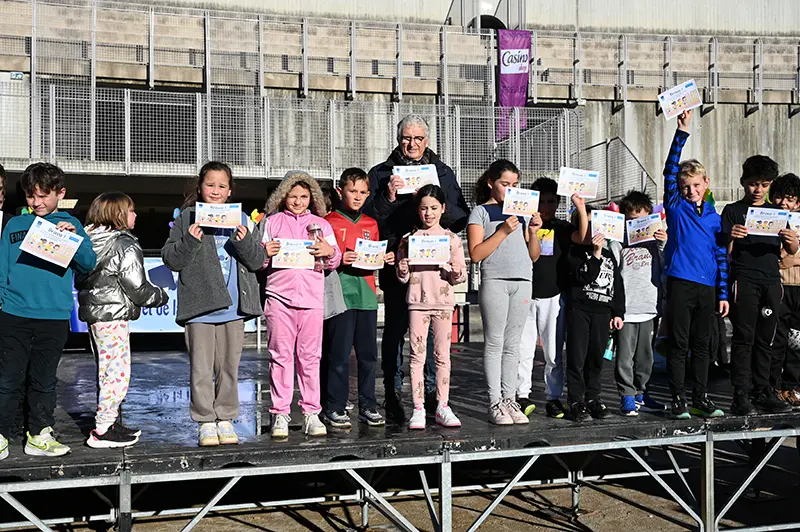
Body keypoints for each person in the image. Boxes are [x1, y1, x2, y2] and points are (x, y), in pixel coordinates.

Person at [365, 114, 469, 422]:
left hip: (434, 270)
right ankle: (395, 394)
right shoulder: (381, 173)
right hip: (400, 262)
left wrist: (433, 213)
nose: (412, 144)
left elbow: (460, 214)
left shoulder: (442, 172)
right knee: (397, 331)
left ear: (427, 140)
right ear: (398, 141)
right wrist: (388, 196)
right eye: (406, 138)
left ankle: (435, 397)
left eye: (418, 138)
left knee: (434, 338)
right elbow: (371, 219)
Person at [162, 162, 266, 447]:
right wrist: (190, 240)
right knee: (200, 368)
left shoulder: (242, 218)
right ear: (200, 187)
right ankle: (205, 420)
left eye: (222, 186)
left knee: (229, 367)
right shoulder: (187, 218)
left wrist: (245, 242)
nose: (216, 191)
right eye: (210, 185)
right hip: (200, 307)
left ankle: (226, 417)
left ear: (230, 190)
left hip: (234, 307)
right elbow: (171, 258)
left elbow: (257, 261)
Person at [0, 163, 96, 460]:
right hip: (14, 314)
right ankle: (1, 435)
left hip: (53, 316)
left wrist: (73, 239)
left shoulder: (71, 224)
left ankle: (39, 434)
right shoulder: (15, 225)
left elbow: (88, 264)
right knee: (8, 377)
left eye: (44, 195)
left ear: (60, 193)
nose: (37, 202)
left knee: (44, 379)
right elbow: (3, 267)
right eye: (31, 196)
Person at [77, 192, 169, 448]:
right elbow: (137, 287)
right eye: (131, 210)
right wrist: (160, 296)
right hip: (114, 314)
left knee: (105, 371)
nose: (135, 215)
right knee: (117, 373)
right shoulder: (124, 245)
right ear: (118, 214)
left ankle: (111, 421)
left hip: (95, 315)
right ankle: (104, 429)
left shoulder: (88, 241)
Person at [261, 171, 342, 439]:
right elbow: (258, 261)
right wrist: (265, 254)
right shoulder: (271, 222)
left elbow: (334, 260)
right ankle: (280, 414)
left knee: (309, 358)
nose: (298, 201)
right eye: (293, 196)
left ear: (312, 198)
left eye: (304, 196)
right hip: (278, 297)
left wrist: (329, 253)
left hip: (311, 298)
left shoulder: (322, 225)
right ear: (283, 196)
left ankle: (311, 413)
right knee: (280, 356)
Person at [661, 110, 729, 420]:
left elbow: (720, 256)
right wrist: (682, 131)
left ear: (706, 183)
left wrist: (723, 293)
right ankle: (678, 399)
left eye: (696, 185)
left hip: (707, 286)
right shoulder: (675, 205)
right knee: (679, 344)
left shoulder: (715, 217)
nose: (691, 191)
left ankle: (701, 397)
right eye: (686, 186)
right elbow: (669, 170)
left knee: (704, 345)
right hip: (680, 281)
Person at [467, 160, 542, 425]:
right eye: (504, 184)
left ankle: (511, 399)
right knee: (495, 342)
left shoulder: (521, 213)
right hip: (496, 280)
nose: (510, 189)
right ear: (491, 182)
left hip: (523, 280)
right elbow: (476, 253)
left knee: (514, 345)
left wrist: (533, 233)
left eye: (514, 185)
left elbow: (533, 256)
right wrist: (502, 231)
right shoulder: (481, 212)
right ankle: (494, 401)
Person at [723, 158, 798, 415]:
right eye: (753, 184)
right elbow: (723, 249)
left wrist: (791, 240)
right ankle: (740, 394)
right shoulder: (732, 211)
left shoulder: (777, 213)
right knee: (744, 338)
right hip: (744, 279)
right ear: (743, 182)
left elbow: (790, 251)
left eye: (764, 185)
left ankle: (764, 390)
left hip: (771, 281)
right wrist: (731, 237)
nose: (758, 190)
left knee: (767, 339)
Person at [322, 168, 392, 429]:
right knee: (338, 355)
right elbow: (322, 257)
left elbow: (373, 256)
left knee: (368, 356)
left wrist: (384, 258)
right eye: (353, 191)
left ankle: (368, 405)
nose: (358, 196)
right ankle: (335, 406)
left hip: (366, 296)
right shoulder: (327, 221)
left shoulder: (370, 224)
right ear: (340, 191)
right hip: (339, 296)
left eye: (363, 192)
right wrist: (340, 257)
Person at [396, 184, 467, 429]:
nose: (429, 213)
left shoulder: (452, 240)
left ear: (443, 208)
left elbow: (461, 276)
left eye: (434, 208)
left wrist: (455, 271)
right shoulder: (409, 239)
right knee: (416, 356)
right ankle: (418, 407)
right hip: (417, 302)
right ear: (418, 211)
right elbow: (402, 277)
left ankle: (442, 406)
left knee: (442, 357)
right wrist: (402, 268)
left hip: (444, 303)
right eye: (424, 208)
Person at [517, 178, 587, 419]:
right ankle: (521, 394)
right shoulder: (522, 224)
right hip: (525, 293)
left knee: (554, 352)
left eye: (551, 201)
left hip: (554, 296)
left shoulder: (564, 227)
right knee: (523, 349)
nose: (546, 206)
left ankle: (553, 397)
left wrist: (580, 207)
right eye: (541, 201)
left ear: (558, 202)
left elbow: (585, 237)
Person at [608, 191, 668, 416]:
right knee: (624, 356)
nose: (638, 225)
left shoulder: (656, 242)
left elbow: (665, 267)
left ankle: (642, 392)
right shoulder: (617, 242)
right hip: (626, 310)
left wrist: (662, 244)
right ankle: (627, 396)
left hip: (649, 307)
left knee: (646, 357)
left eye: (643, 220)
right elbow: (613, 271)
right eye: (633, 221)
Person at [565, 207, 625, 422]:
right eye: (587, 224)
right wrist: (596, 254)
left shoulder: (609, 254)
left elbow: (617, 284)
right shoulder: (574, 252)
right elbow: (584, 277)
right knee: (577, 357)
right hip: (580, 310)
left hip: (602, 312)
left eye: (596, 224)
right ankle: (575, 400)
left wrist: (618, 312)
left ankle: (593, 398)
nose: (592, 230)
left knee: (596, 359)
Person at [770, 173, 800, 408]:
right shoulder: (769, 220)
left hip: (798, 288)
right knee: (777, 340)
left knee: (796, 341)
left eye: (789, 198)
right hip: (778, 288)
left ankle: (793, 386)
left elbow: (789, 258)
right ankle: (774, 387)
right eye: (779, 197)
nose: (783, 203)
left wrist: (794, 260)